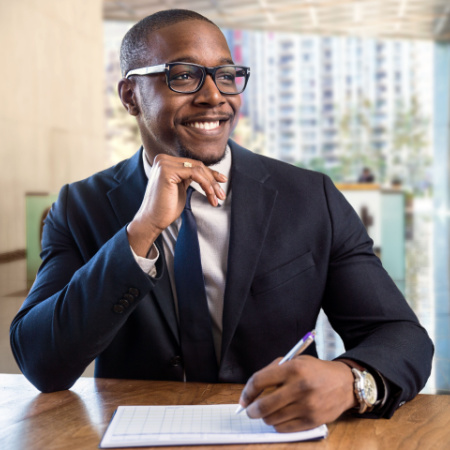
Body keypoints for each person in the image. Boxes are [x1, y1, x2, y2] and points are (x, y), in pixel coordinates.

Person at [10, 9, 433, 433]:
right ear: (130, 95)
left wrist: (350, 381)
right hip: (137, 438)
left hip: (277, 434)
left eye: (226, 75)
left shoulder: (310, 197)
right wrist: (139, 233)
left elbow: (402, 336)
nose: (215, 96)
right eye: (184, 75)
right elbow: (42, 362)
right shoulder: (80, 205)